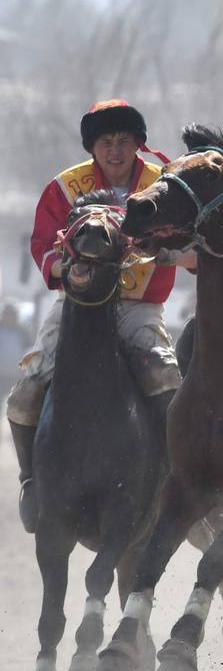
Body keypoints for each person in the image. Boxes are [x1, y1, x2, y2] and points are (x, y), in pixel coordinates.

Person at [6, 100, 182, 533]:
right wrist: (68, 269)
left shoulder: (165, 184)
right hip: (78, 305)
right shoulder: (66, 187)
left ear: (138, 144)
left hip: (139, 306)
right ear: (93, 147)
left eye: (124, 141)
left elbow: (183, 235)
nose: (116, 150)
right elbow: (43, 243)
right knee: (26, 390)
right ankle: (31, 482)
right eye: (107, 142)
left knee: (166, 378)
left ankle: (175, 478)